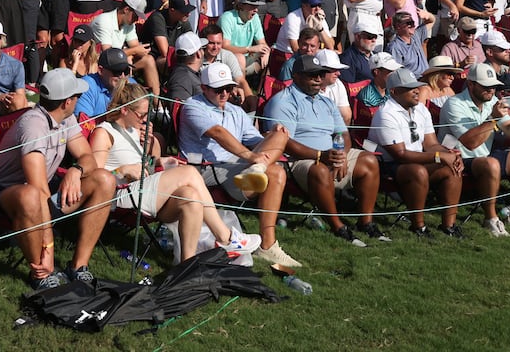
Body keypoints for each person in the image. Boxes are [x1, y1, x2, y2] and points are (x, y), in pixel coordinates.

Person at [89, 81, 257, 262]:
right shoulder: (103, 133)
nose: (145, 119)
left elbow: (142, 166)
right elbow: (95, 179)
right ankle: (225, 237)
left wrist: (157, 159)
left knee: (190, 196)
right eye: (141, 114)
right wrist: (122, 170)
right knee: (190, 173)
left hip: (144, 193)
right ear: (124, 110)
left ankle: (185, 264)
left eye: (148, 114)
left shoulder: (133, 130)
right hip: (120, 196)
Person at [0, 69, 114, 289]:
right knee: (31, 196)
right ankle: (41, 273)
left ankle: (78, 266)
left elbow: (87, 158)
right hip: (7, 192)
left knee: (105, 180)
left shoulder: (66, 118)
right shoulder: (34, 125)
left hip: (42, 188)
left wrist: (75, 171)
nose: (78, 100)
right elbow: (38, 189)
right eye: (77, 97)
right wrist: (49, 247)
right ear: (67, 101)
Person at [178, 63, 301, 272]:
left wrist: (271, 136)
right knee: (275, 172)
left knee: (279, 142)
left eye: (228, 87)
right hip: (207, 169)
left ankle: (268, 244)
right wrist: (251, 156)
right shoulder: (193, 107)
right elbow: (217, 132)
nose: (225, 93)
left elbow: (255, 140)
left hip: (237, 166)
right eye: (218, 89)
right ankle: (267, 245)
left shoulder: (235, 110)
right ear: (204, 88)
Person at [265, 53, 388, 244]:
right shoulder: (283, 102)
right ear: (296, 76)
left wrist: (342, 154)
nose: (318, 79)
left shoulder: (326, 102)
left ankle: (366, 222)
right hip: (297, 160)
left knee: (369, 161)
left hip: (331, 155)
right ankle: (338, 226)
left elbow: (342, 133)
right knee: (320, 171)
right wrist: (321, 156)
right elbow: (283, 142)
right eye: (311, 75)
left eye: (320, 74)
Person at [438, 62, 510, 236]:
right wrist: (492, 118)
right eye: (486, 87)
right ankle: (491, 218)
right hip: (459, 158)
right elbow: (469, 143)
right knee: (491, 163)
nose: (491, 90)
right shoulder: (454, 104)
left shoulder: (492, 101)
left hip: (485, 156)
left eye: (494, 86)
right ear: (471, 84)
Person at [368, 67, 464, 236]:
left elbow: (431, 143)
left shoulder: (420, 109)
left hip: (418, 160)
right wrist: (438, 156)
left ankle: (449, 225)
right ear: (394, 91)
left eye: (417, 87)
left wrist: (450, 155)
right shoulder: (386, 114)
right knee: (418, 171)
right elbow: (401, 155)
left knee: (452, 167)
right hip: (390, 165)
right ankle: (418, 226)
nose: (417, 91)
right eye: (410, 88)